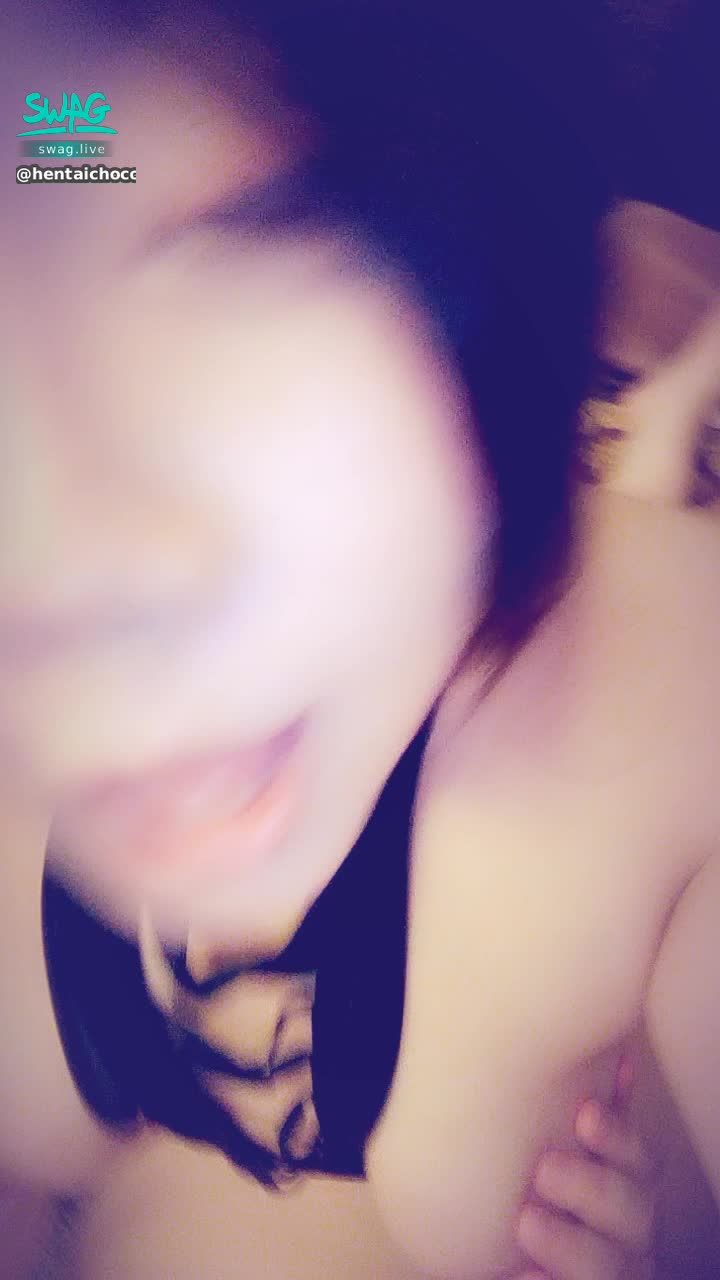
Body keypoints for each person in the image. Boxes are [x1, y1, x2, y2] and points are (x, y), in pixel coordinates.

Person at [1, 3, 717, 1277]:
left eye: (250, 227)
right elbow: (59, 141)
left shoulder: (677, 691)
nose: (66, 585)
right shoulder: (64, 136)